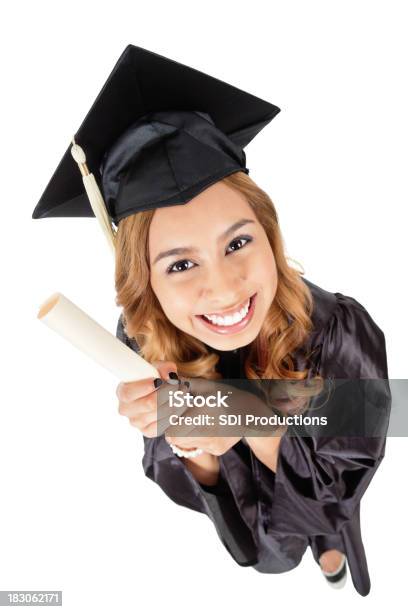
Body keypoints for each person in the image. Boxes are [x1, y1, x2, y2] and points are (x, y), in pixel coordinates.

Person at [33, 44, 391, 596]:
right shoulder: (144, 343)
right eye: (179, 263)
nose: (223, 288)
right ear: (143, 280)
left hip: (325, 481)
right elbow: (192, 486)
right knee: (271, 554)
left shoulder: (339, 326)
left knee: (333, 517)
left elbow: (358, 453)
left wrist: (249, 415)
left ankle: (330, 546)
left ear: (270, 237)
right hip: (251, 505)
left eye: (239, 242)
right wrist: (192, 441)